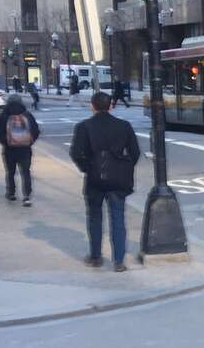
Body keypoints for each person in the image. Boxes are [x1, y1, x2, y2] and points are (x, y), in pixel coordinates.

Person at [69, 91, 140, 272]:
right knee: (118, 218)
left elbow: (76, 153)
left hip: (95, 178)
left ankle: (96, 256)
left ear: (92, 106)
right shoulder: (124, 126)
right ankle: (119, 260)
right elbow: (135, 152)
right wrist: (124, 167)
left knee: (95, 217)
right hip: (118, 178)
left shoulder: (84, 127)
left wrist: (87, 167)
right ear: (111, 106)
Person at [0, 93, 40, 206]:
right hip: (25, 149)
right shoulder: (27, 115)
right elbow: (35, 130)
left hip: (9, 150)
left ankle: (11, 193)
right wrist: (29, 142)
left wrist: (6, 142)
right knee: (26, 172)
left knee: (10, 172)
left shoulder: (3, 115)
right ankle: (26, 196)